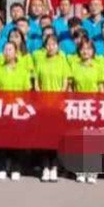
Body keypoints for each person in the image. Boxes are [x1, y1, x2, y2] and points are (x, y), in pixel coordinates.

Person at [0, 42, 33, 181]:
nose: (7, 52)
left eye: (10, 49)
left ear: (16, 52)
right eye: (5, 49)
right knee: (1, 140)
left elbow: (27, 91)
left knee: (17, 141)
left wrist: (23, 108)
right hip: (3, 109)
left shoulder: (23, 70)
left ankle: (15, 168)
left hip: (17, 110)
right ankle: (2, 167)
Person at [34, 35, 70, 182]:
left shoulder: (62, 61)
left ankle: (54, 167)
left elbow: (65, 83)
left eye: (53, 44)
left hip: (57, 105)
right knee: (44, 138)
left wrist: (59, 99)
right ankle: (45, 167)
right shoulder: (40, 61)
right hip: (44, 105)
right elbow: (36, 83)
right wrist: (40, 99)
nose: (51, 47)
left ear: (57, 47)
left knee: (56, 138)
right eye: (48, 44)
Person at [70, 40, 104, 184]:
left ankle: (92, 170)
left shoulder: (98, 67)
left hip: (93, 106)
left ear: (93, 51)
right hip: (79, 106)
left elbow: (101, 88)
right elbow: (71, 87)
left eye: (89, 49)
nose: (85, 51)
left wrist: (100, 106)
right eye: (83, 49)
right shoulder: (74, 66)